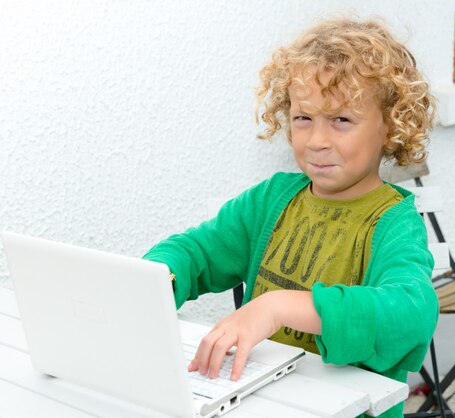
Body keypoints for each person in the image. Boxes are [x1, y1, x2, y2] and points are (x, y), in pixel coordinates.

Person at [143, 17, 439, 417]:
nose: (317, 141)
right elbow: (197, 251)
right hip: (260, 402)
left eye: (342, 120)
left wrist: (276, 306)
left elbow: (410, 314)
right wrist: (155, 279)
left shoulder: (394, 223)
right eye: (304, 118)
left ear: (390, 127)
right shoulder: (272, 199)